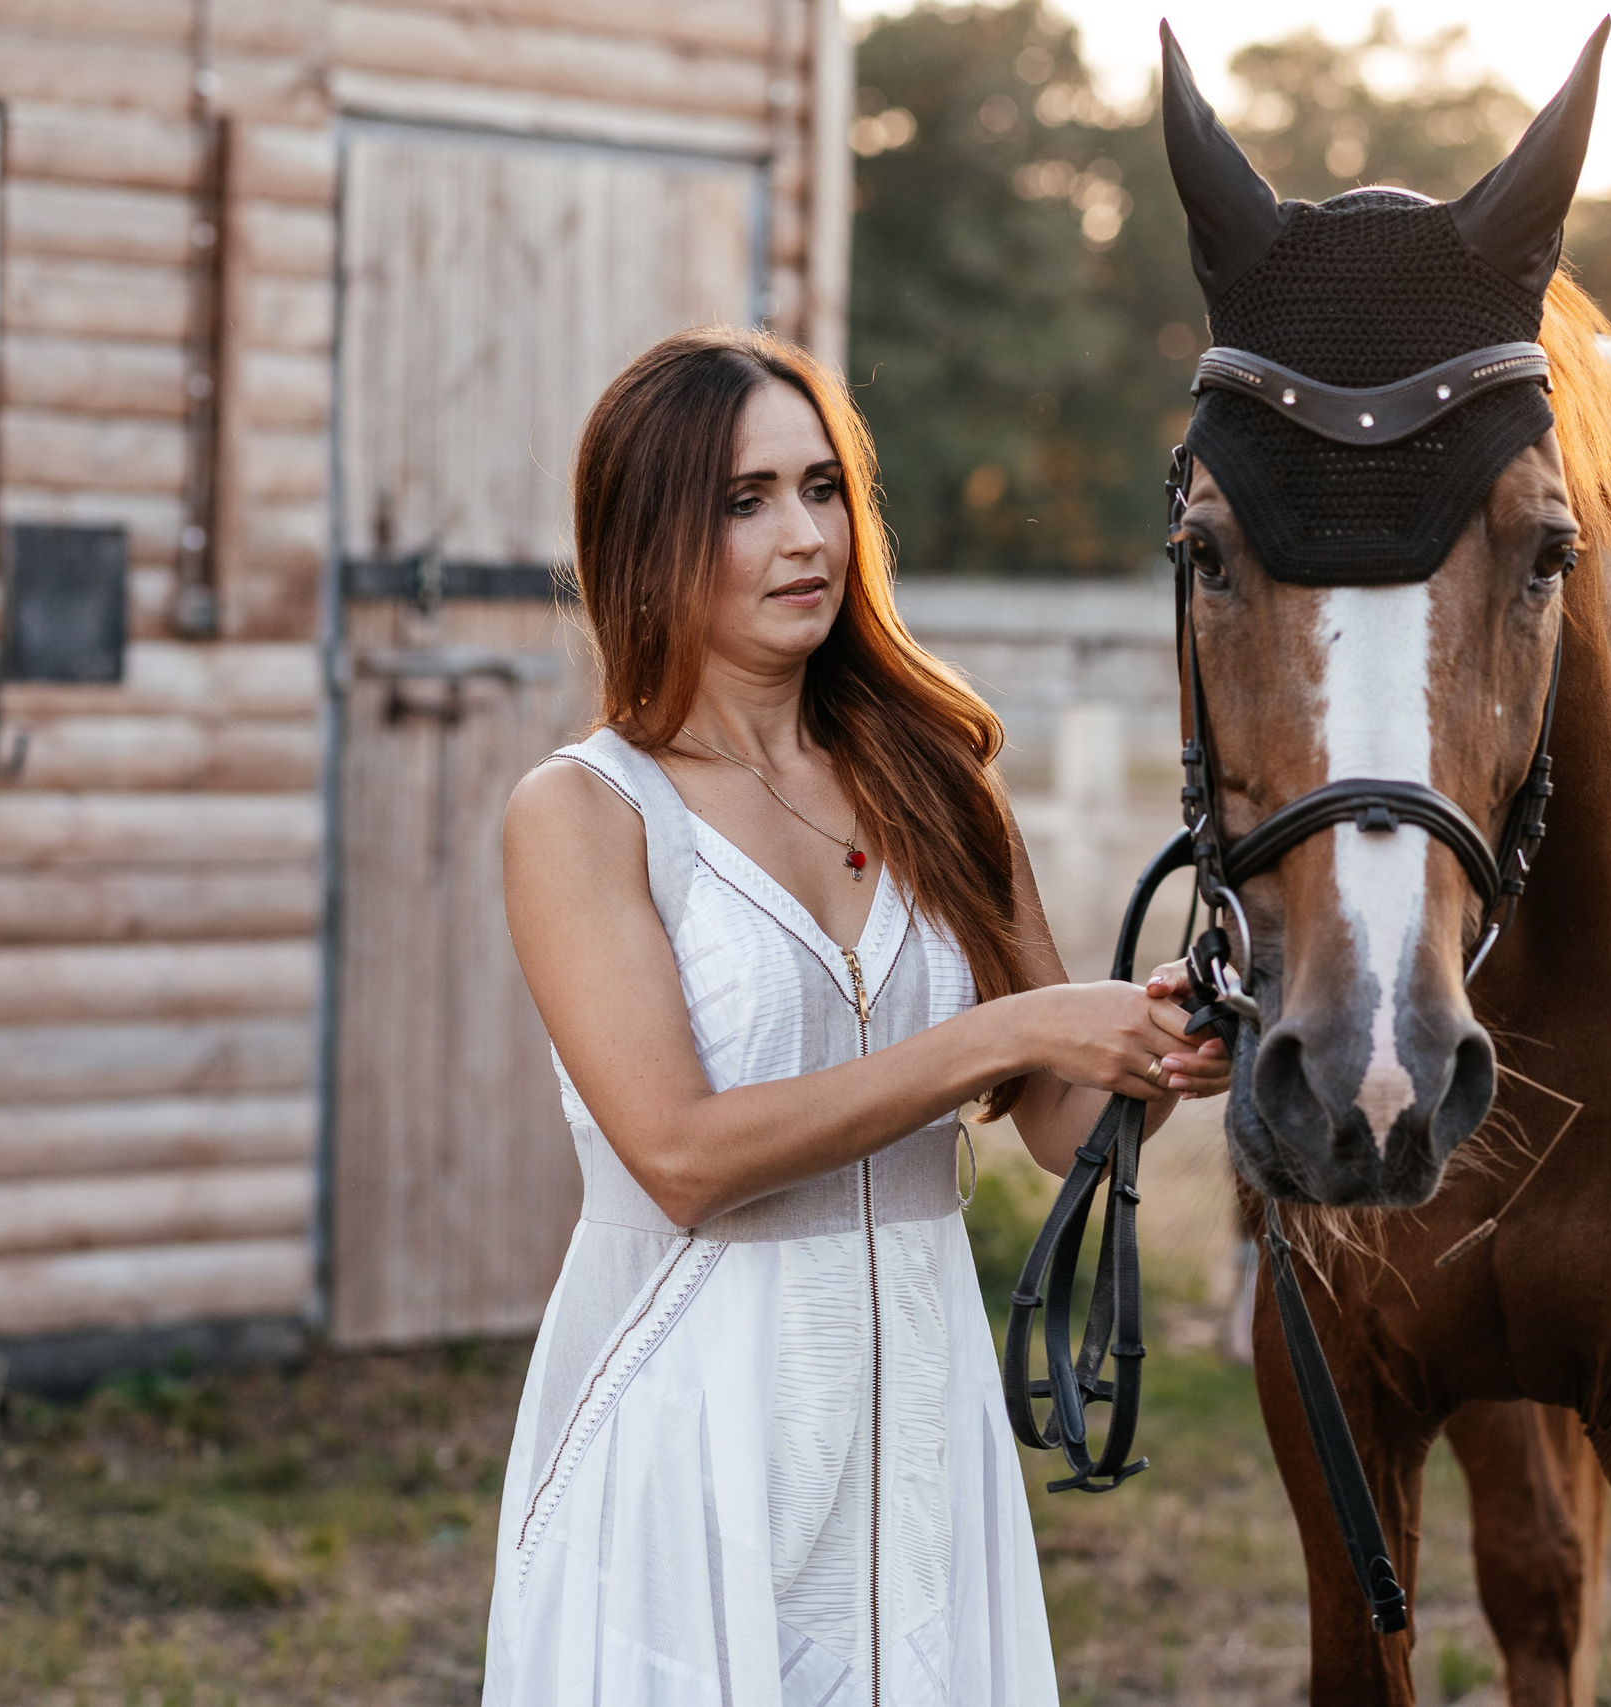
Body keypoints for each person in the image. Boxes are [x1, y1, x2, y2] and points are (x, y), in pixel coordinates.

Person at [480, 326, 1229, 1706]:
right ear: (646, 535)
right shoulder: (585, 814)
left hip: (920, 1408)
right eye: (745, 500)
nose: (804, 534)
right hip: (693, 1413)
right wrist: (1005, 1035)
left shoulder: (939, 782)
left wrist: (1160, 1047)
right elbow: (684, 1158)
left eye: (823, 489)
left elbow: (1063, 1131)